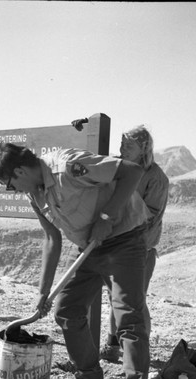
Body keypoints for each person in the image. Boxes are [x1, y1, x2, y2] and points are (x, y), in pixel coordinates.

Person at [0, 142, 153, 379]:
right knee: (66, 308)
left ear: (20, 170)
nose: (11, 190)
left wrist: (106, 217)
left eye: (10, 183)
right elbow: (52, 239)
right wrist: (43, 292)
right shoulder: (35, 193)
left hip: (124, 240)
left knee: (128, 320)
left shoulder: (67, 166)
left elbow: (131, 171)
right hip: (90, 249)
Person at [72, 118, 169, 362]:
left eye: (129, 145)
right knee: (116, 297)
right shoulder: (115, 165)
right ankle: (111, 345)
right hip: (112, 242)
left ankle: (137, 353)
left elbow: (150, 215)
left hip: (139, 247)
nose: (123, 147)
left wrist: (120, 204)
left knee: (134, 302)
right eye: (122, 143)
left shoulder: (156, 177)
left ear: (144, 148)